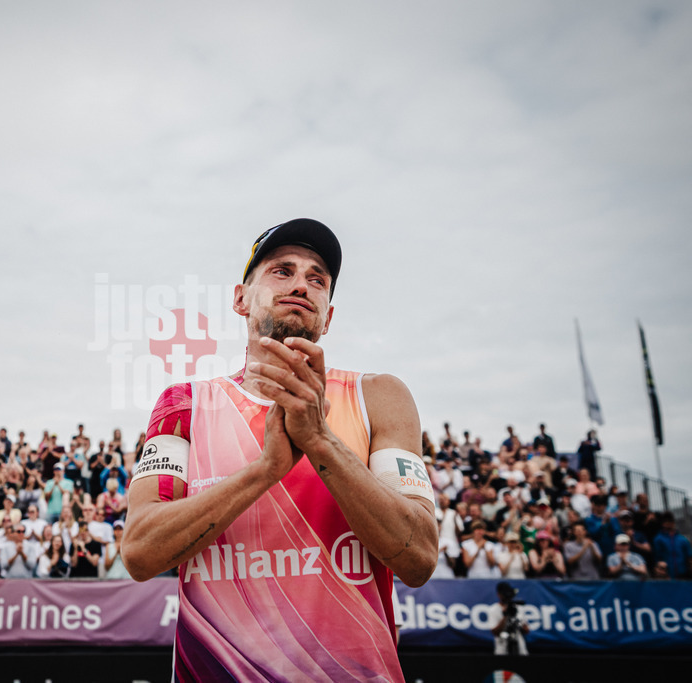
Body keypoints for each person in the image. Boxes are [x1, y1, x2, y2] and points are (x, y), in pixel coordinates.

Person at [122, 219, 437, 681]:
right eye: (281, 270)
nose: (301, 285)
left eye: (317, 279)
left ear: (328, 316)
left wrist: (320, 440)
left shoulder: (378, 396)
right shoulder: (185, 403)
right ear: (240, 299)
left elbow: (420, 557)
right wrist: (265, 470)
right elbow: (140, 551)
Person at [491, 582, 529, 656]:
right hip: (502, 650)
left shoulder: (518, 608)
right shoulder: (493, 609)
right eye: (505, 594)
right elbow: (495, 632)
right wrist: (506, 615)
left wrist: (519, 622)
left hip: (520, 650)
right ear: (499, 594)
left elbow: (526, 630)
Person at [652, 512, 692, 579]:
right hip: (666, 576)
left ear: (673, 522)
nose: (668, 523)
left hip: (683, 575)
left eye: (670, 521)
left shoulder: (682, 539)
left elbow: (689, 557)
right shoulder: (658, 539)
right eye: (665, 521)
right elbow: (657, 558)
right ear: (662, 523)